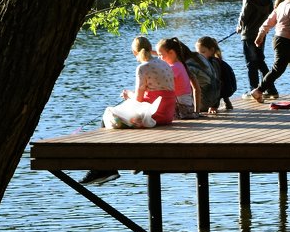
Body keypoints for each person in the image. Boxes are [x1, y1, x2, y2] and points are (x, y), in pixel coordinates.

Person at [79, 36, 175, 185]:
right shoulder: (164, 64)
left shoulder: (142, 68)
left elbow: (138, 99)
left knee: (108, 115)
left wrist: (127, 94)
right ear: (151, 49)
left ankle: (104, 168)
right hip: (167, 113)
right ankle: (125, 163)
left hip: (152, 114)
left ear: (133, 52)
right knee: (117, 117)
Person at [231, 0, 273, 92]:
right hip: (262, 33)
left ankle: (253, 90)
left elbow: (244, 16)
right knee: (260, 61)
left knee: (251, 64)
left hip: (249, 35)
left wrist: (239, 26)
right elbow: (271, 12)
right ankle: (271, 90)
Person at [156, 37, 200, 118]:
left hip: (182, 109)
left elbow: (160, 82)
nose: (159, 58)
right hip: (186, 106)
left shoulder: (174, 67)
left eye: (160, 55)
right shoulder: (179, 64)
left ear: (171, 53)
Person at [197, 36, 238, 110]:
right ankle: (227, 101)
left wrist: (214, 106)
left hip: (227, 88)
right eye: (198, 53)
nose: (200, 55)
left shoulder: (213, 63)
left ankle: (216, 103)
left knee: (213, 82)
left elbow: (216, 84)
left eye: (203, 52)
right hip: (227, 87)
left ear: (211, 51)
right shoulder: (214, 61)